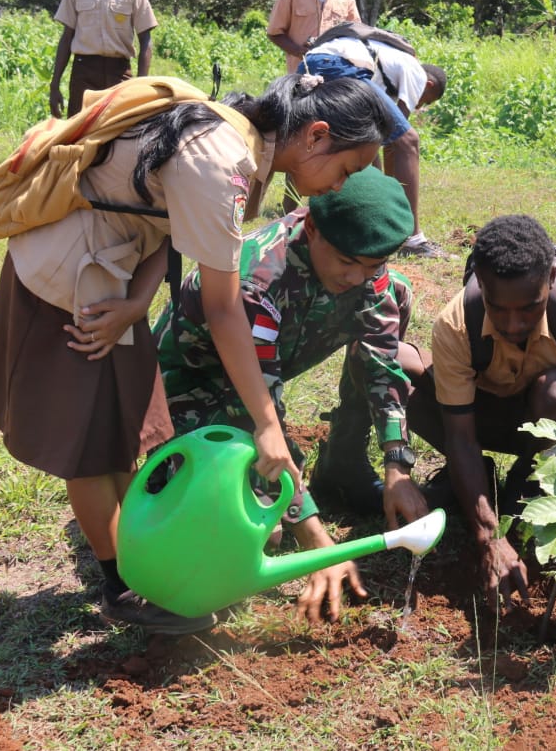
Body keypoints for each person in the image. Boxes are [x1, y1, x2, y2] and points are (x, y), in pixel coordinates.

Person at [0, 73, 394, 635]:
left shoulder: (245, 148)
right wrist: (268, 426)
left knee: (121, 434)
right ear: (316, 135)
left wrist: (138, 299)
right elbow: (224, 311)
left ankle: (144, 568)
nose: (338, 187)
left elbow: (167, 221)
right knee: (92, 446)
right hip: (68, 277)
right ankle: (125, 584)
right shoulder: (223, 161)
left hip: (110, 276)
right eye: (346, 169)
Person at [153, 168, 435, 619]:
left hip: (252, 389)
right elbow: (257, 409)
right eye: (347, 262)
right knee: (249, 534)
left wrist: (397, 464)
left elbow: (383, 362)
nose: (357, 276)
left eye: (371, 264)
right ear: (313, 227)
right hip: (190, 390)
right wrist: (319, 543)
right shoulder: (258, 284)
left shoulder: (365, 271)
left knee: (393, 296)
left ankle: (342, 462)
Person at [407, 215, 556, 606]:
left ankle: (527, 484)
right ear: (479, 284)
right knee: (405, 383)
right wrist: (490, 540)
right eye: (498, 309)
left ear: (552, 277)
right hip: (482, 421)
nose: (513, 324)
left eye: (529, 308)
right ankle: (483, 486)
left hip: (551, 428)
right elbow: (460, 436)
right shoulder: (455, 324)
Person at [302, 35, 448, 257]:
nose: (421, 106)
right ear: (429, 85)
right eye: (426, 101)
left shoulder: (383, 74)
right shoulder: (417, 73)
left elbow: (379, 138)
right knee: (409, 141)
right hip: (336, 63)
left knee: (360, 139)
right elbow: (398, 137)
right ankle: (412, 239)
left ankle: (369, 213)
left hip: (311, 62)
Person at [50, 0, 158, 118]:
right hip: (84, 72)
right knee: (79, 134)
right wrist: (54, 85)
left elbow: (145, 42)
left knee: (120, 134)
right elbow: (66, 38)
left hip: (119, 75)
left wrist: (141, 86)